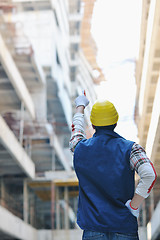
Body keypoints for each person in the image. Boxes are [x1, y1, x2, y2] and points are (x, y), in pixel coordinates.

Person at [69, 92, 157, 240]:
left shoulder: (80, 148)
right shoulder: (131, 149)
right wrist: (134, 206)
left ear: (93, 124)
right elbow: (150, 175)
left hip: (93, 231)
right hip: (125, 228)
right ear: (116, 121)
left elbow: (76, 132)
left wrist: (80, 107)